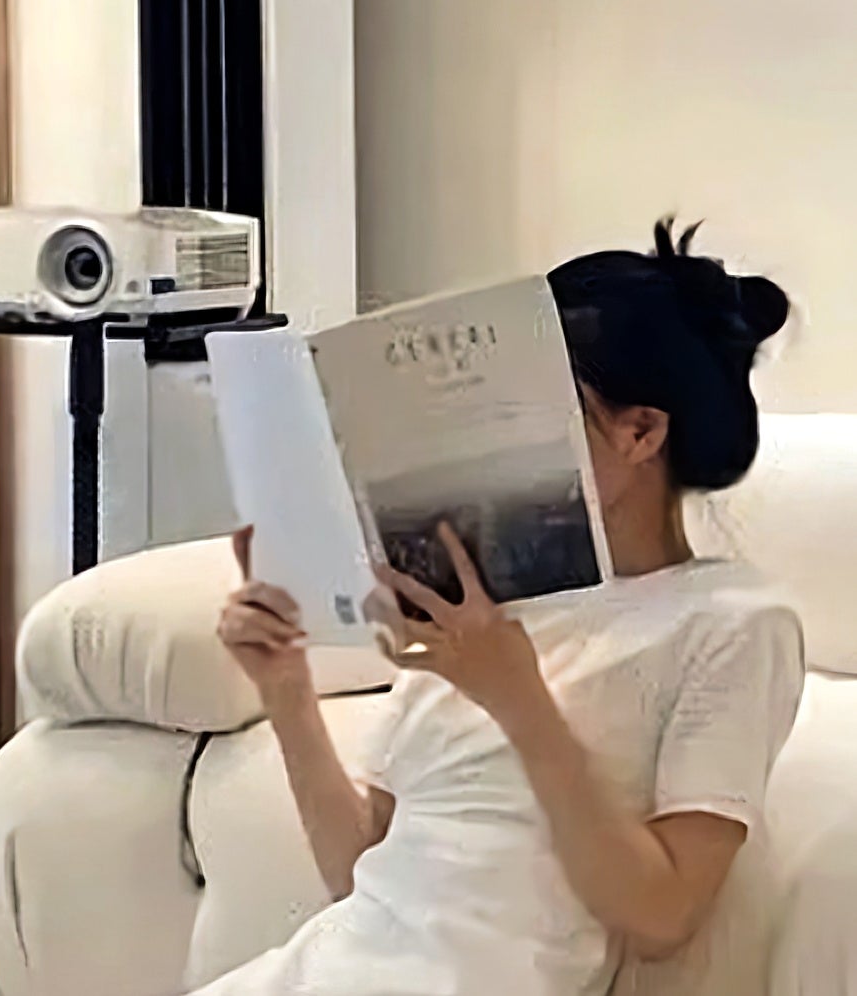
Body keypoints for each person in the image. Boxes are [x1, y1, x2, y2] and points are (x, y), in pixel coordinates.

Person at [208, 220, 805, 996]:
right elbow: (360, 874)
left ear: (641, 431)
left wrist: (517, 696)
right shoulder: (481, 598)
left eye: (539, 405)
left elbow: (661, 918)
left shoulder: (732, 622)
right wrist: (286, 687)